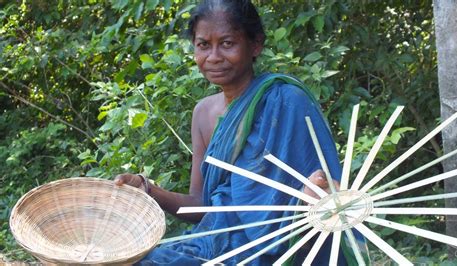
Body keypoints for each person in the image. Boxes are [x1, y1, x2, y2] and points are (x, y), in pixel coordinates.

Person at [115, 0, 367, 265]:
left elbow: (327, 197)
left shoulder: (287, 101)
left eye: (227, 44)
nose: (213, 56)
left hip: (279, 252)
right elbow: (201, 204)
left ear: (255, 44)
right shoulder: (203, 113)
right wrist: (148, 189)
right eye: (203, 45)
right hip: (214, 245)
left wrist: (314, 198)